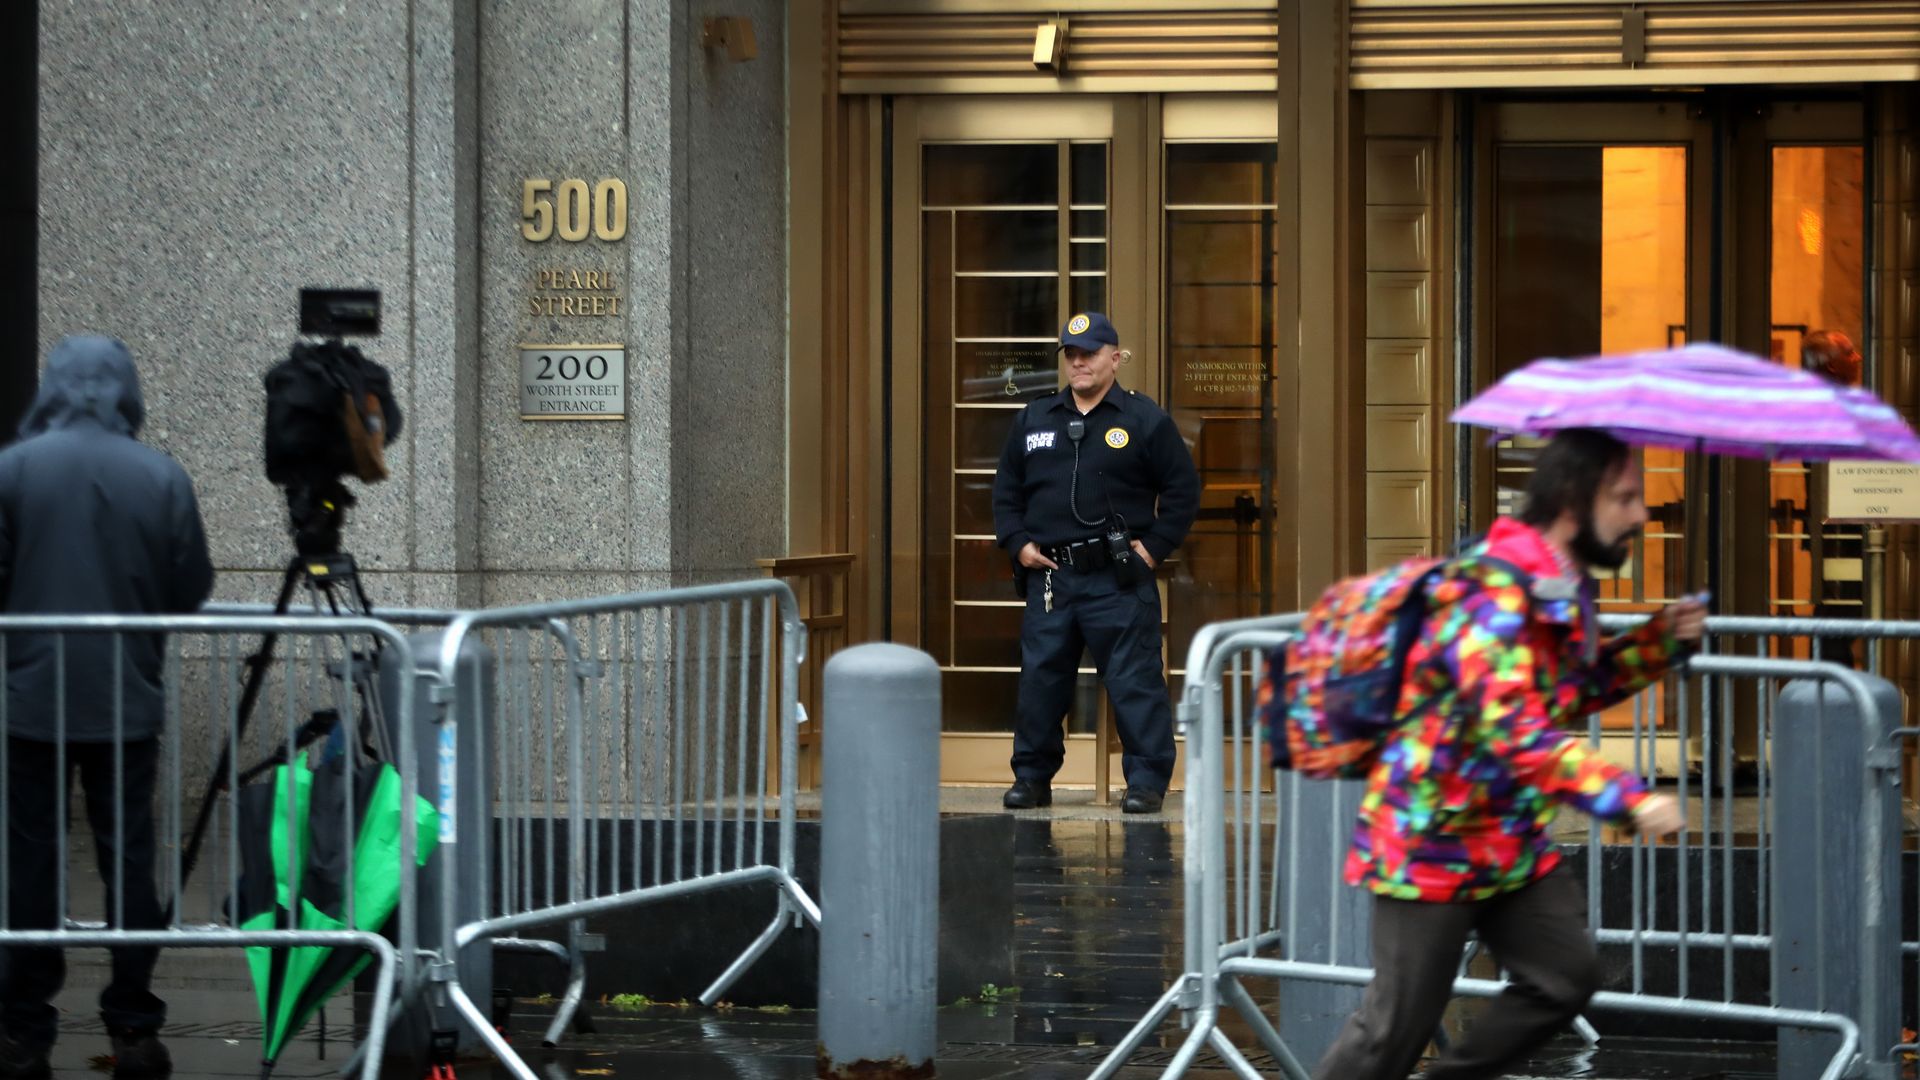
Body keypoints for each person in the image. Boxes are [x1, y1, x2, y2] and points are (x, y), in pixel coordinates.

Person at [1313, 428, 1700, 1079]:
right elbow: (1514, 730)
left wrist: (1656, 643)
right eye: (1627, 498)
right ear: (1575, 499)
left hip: (1507, 836)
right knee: (1391, 1034)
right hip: (1432, 839)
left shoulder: (1560, 583)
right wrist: (1630, 798)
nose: (1640, 515)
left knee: (1563, 977)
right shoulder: (1492, 592)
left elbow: (1565, 691)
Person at [0, 336, 214, 1080]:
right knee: (129, 863)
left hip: (30, 701)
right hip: (126, 701)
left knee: (30, 866)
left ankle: (24, 1029)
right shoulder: (161, 476)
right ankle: (132, 1023)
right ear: (126, 389)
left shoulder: (13, 470)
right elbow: (190, 588)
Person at [991, 312, 1198, 815]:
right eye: (1071, 354)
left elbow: (1182, 491)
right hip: (1052, 578)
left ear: (1115, 356)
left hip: (1117, 577)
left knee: (1134, 681)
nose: (1079, 362)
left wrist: (1153, 548)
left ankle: (1146, 781)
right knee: (1041, 681)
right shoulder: (1036, 418)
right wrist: (1017, 542)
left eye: (1089, 352)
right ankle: (1033, 777)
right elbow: (1006, 491)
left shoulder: (1144, 420)